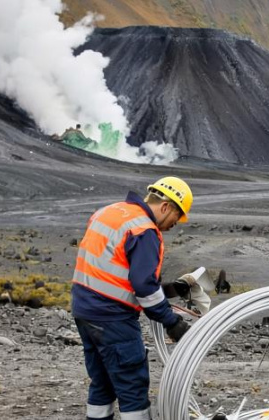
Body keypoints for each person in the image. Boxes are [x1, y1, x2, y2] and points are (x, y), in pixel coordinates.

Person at [71, 176, 195, 420]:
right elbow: (144, 286)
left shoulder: (109, 212)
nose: (175, 224)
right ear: (166, 206)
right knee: (132, 388)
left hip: (84, 312)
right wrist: (171, 322)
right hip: (113, 318)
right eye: (177, 216)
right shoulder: (144, 230)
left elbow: (113, 267)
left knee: (102, 383)